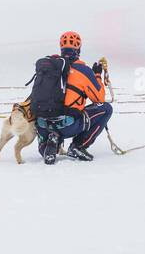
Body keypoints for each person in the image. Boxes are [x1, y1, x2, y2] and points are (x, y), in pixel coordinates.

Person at [33, 30, 113, 164]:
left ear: (61, 48)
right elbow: (99, 99)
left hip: (43, 124)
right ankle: (78, 146)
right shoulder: (83, 71)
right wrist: (97, 75)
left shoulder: (49, 68)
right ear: (78, 48)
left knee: (48, 127)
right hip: (67, 125)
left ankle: (47, 144)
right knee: (106, 108)